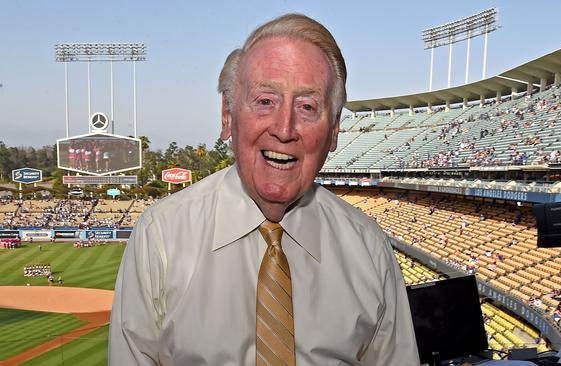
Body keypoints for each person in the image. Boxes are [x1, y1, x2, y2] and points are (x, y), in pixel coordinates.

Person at [109, 14, 419, 366]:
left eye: (307, 107)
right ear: (227, 115)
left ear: (333, 132)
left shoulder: (369, 249)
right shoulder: (160, 236)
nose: (284, 128)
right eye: (265, 101)